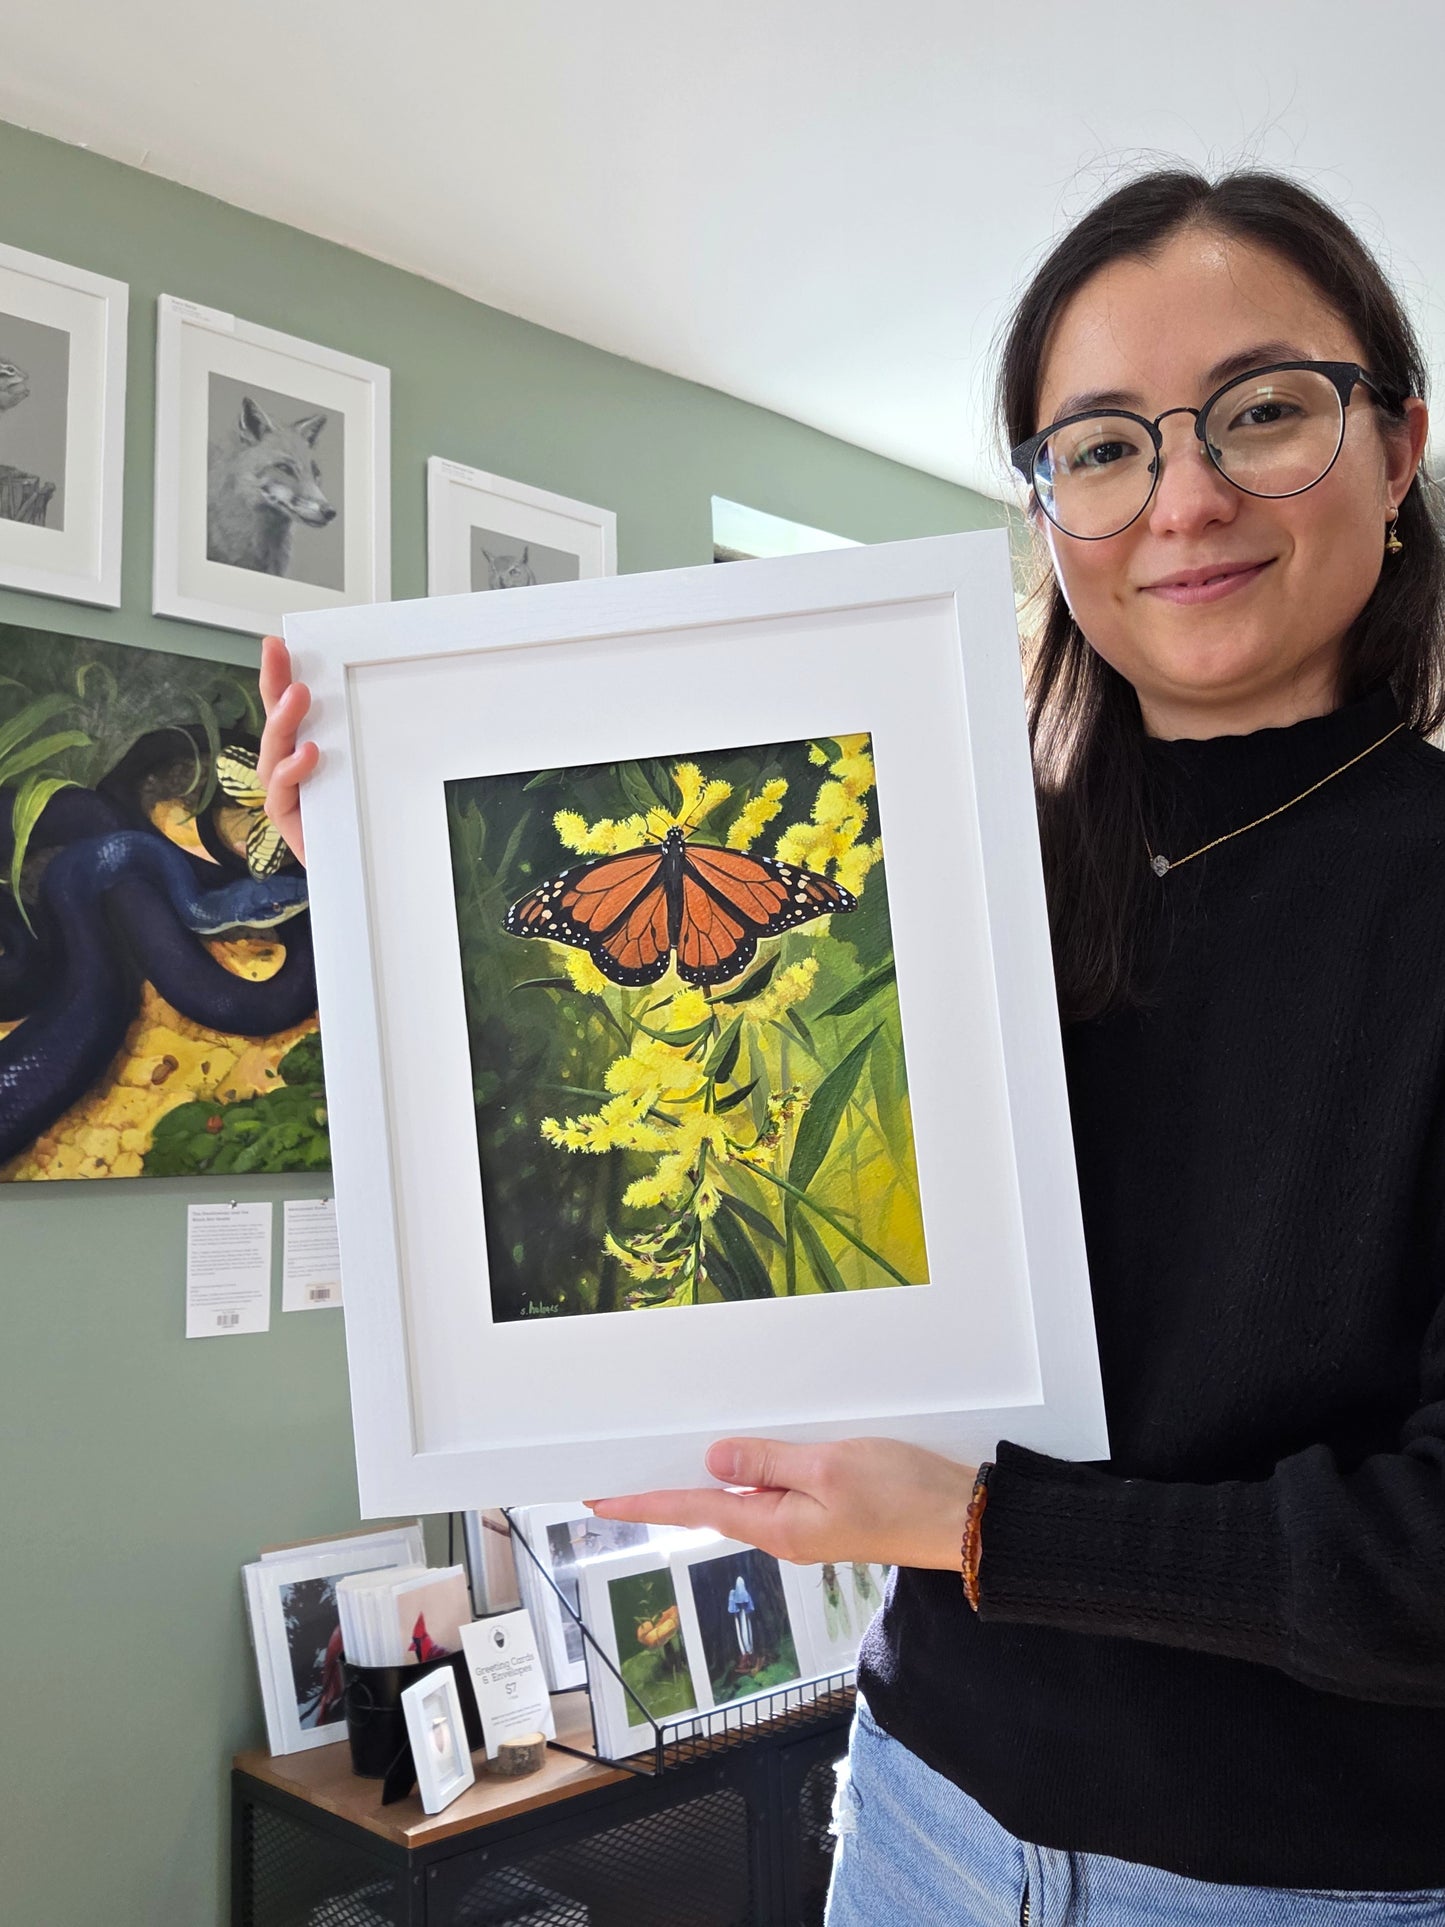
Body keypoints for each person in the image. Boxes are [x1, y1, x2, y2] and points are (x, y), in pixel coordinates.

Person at [259, 165, 1445, 1924]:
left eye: (1262, 411)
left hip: (1290, 1881)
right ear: (1045, 508)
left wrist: (984, 1528)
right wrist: (373, 887)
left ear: (1397, 444)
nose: (1182, 495)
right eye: (1103, 446)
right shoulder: (945, 863)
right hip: (912, 1815)